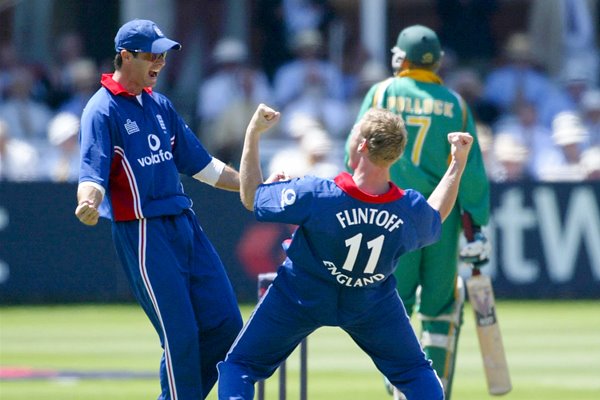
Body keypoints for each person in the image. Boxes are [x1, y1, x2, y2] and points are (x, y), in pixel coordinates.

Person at [218, 104, 474, 400]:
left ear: (363, 145)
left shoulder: (317, 193)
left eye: (354, 133)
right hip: (370, 302)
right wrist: (458, 163)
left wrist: (253, 133)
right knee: (416, 374)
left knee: (239, 365)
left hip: (302, 294)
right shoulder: (408, 209)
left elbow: (251, 198)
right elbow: (435, 214)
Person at [74, 19, 243, 400]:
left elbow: (205, 167)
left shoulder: (159, 104)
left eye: (163, 56)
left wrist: (254, 186)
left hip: (185, 224)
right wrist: (88, 202)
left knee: (227, 325)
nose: (159, 63)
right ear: (125, 56)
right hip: (144, 231)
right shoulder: (101, 110)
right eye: (152, 55)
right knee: (180, 336)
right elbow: (92, 173)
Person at [345, 25, 490, 399]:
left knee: (393, 306)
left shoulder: (382, 92)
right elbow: (470, 170)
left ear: (400, 58)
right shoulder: (456, 104)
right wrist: (476, 227)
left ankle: (400, 390)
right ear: (438, 61)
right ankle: (433, 389)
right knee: (441, 308)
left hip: (391, 215)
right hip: (441, 219)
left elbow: (354, 150)